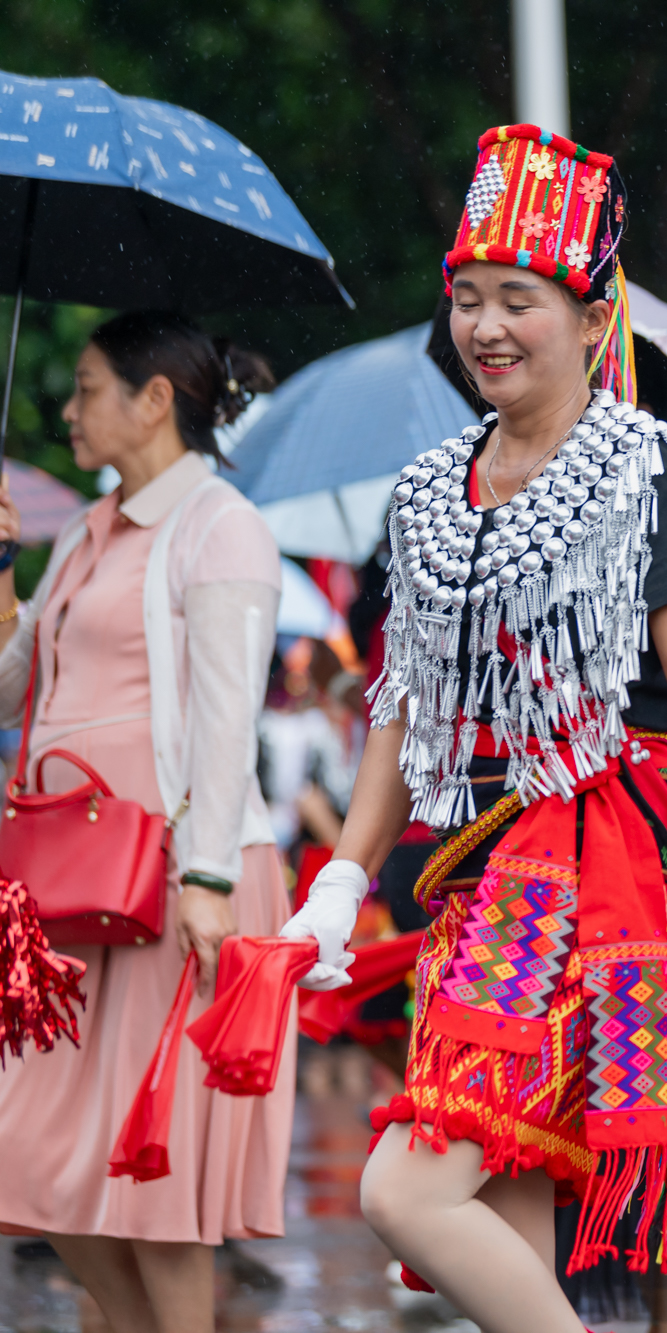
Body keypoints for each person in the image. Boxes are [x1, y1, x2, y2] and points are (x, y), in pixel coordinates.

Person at [278, 125, 667, 1333]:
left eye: (517, 300)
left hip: (595, 864)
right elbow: (401, 703)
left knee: (407, 1185)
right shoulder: (432, 488)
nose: (486, 326)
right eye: (467, 299)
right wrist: (337, 880)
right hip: (475, 868)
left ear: (592, 320)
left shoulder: (646, 469)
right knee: (510, 1196)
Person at [0, 311, 284, 1333]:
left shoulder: (220, 525)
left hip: (177, 881)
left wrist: (206, 879)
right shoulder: (84, 529)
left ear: (153, 399)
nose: (67, 409)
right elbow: (12, 690)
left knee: (156, 1181)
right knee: (25, 1156)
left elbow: (226, 715)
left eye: (84, 388)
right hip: (66, 885)